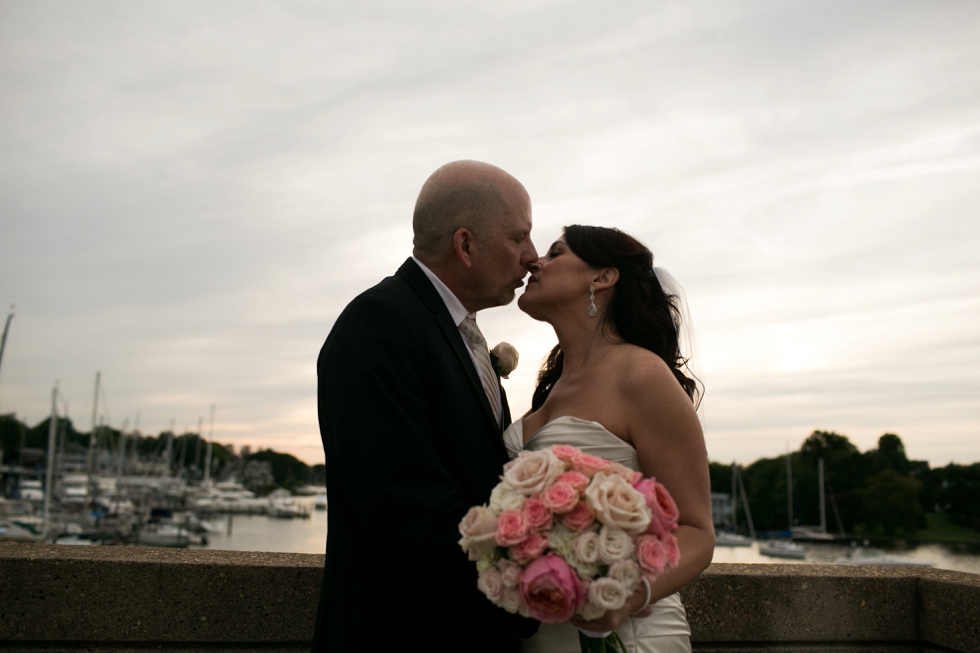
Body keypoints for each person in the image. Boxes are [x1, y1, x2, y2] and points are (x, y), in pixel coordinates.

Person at [311, 160, 540, 652]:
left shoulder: (456, 332)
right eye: (519, 237)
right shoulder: (378, 325)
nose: (532, 256)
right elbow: (404, 506)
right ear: (466, 245)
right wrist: (529, 592)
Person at [504, 225, 715, 653]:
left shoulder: (641, 375)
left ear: (602, 277)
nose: (534, 262)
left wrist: (623, 595)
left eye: (555, 253)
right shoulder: (551, 391)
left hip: (628, 635)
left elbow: (697, 531)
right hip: (544, 632)